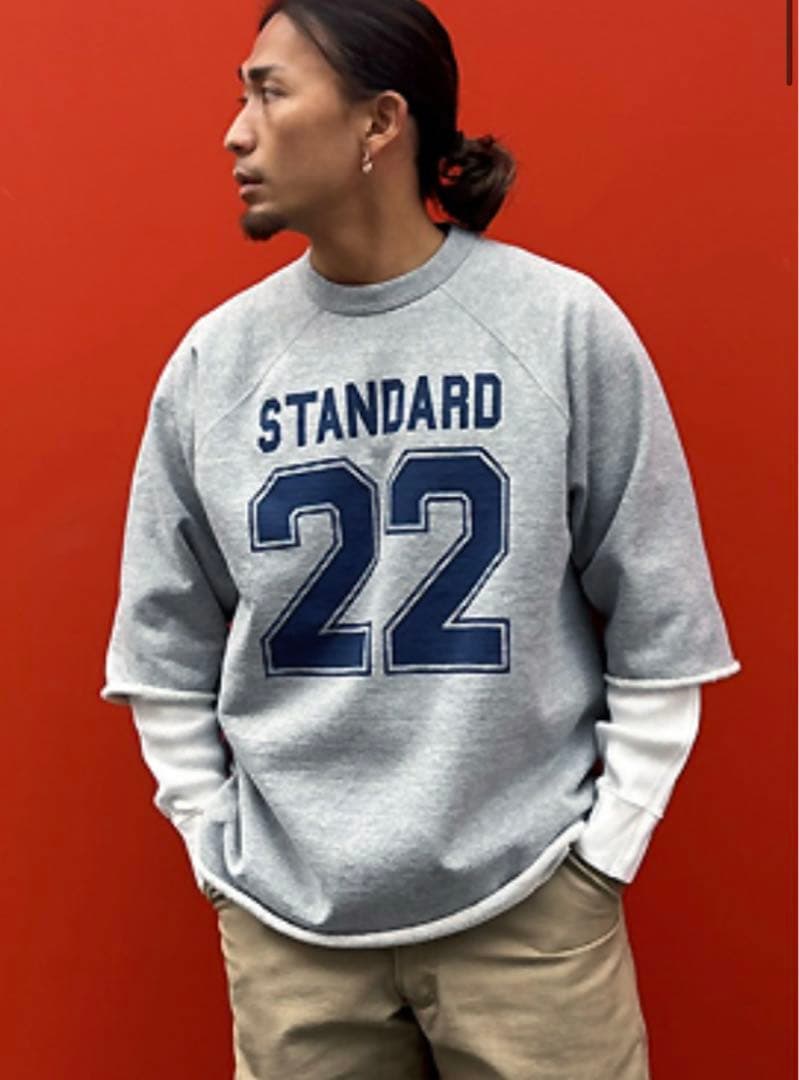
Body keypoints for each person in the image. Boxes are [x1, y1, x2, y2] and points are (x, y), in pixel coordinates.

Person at [100, 1, 742, 1077]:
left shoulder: (558, 324)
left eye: (270, 92)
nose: (235, 132)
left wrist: (602, 854)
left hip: (530, 913)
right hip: (292, 932)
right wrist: (217, 852)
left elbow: (663, 618)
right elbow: (161, 649)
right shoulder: (217, 363)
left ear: (378, 122)